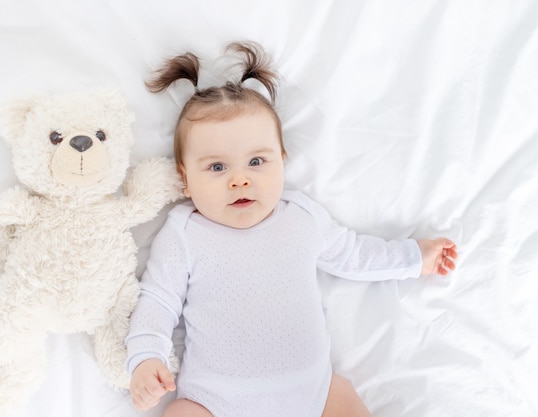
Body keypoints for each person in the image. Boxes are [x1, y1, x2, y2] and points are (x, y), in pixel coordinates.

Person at [125, 41, 458, 417]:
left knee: (342, 394)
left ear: (281, 162)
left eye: (256, 161)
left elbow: (353, 254)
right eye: (217, 167)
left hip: (312, 392)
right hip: (214, 400)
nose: (240, 180)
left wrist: (414, 257)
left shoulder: (301, 218)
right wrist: (145, 358)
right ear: (185, 181)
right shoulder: (186, 232)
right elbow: (157, 300)